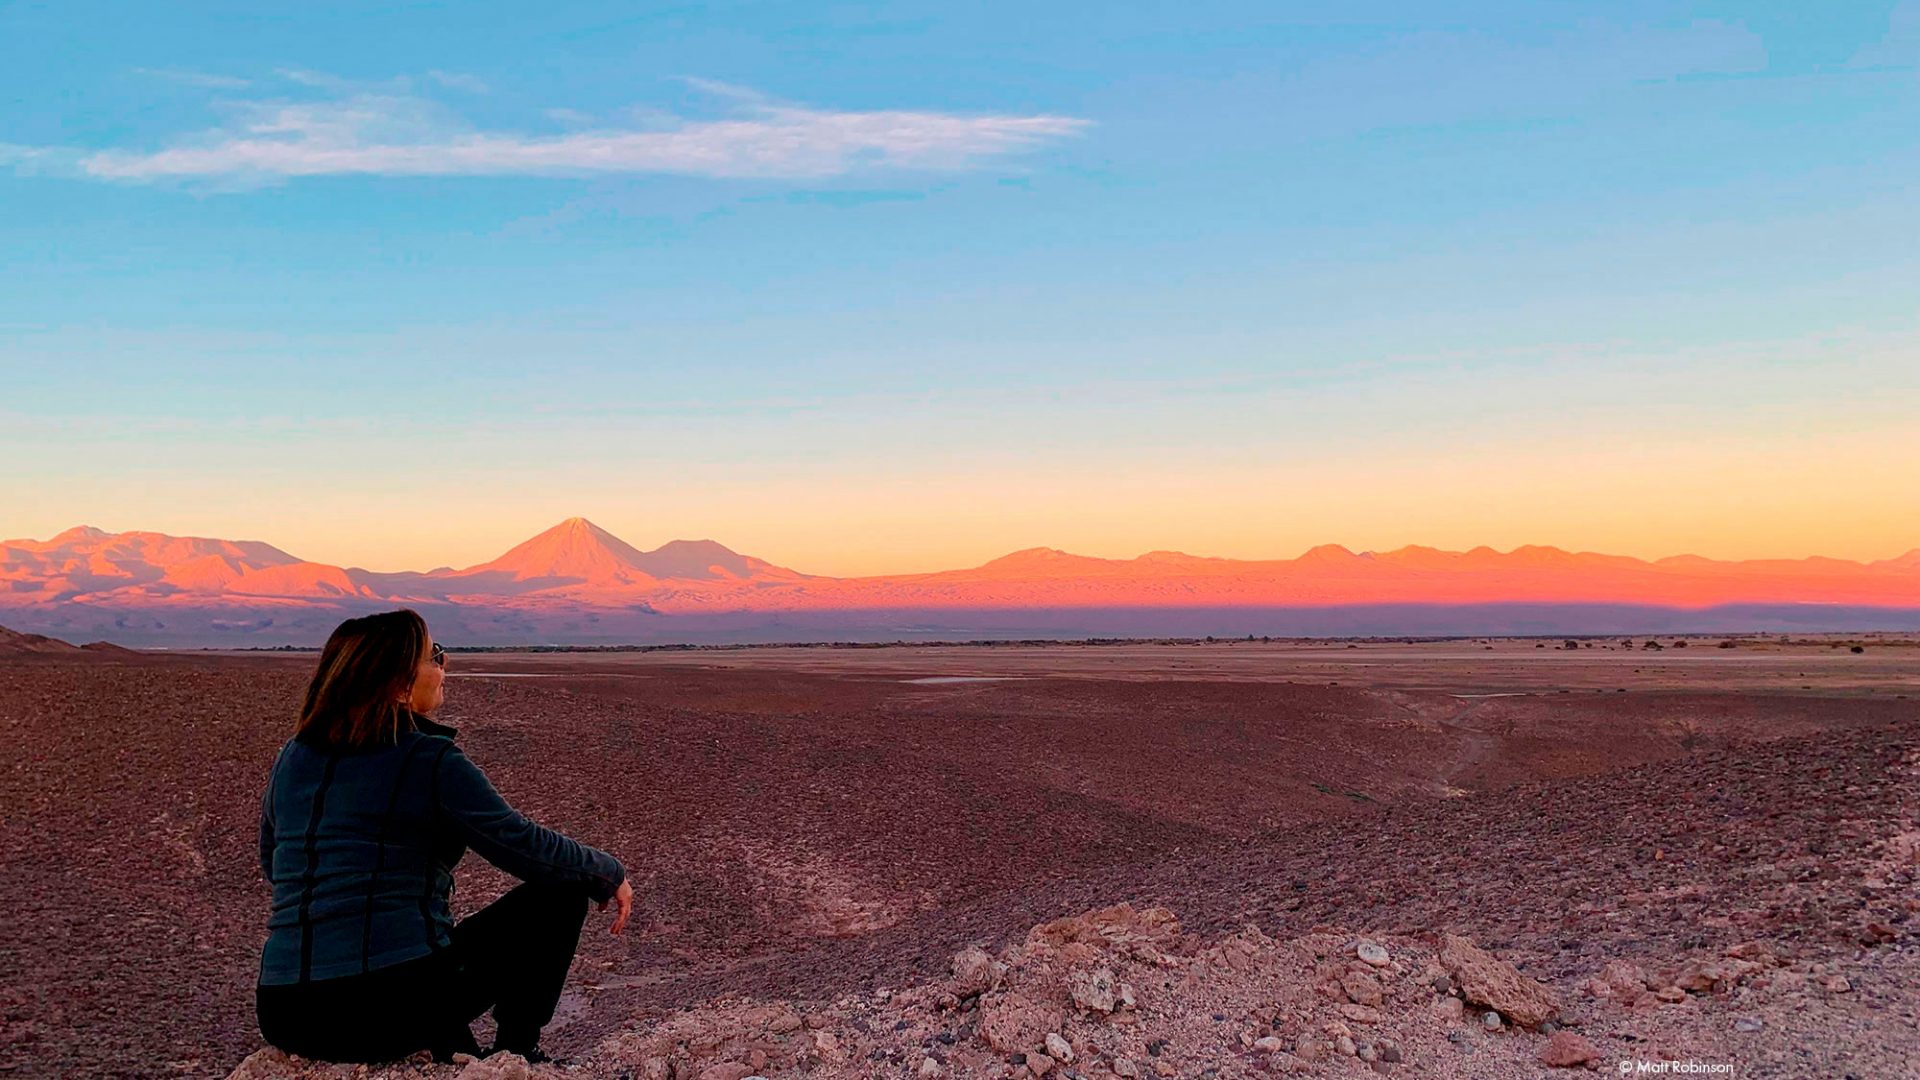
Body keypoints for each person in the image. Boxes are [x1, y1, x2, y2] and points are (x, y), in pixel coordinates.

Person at [255, 609, 632, 1065]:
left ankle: (447, 1038)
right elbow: (525, 847)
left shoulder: (292, 756)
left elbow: (275, 863)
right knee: (565, 891)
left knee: (424, 960)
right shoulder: (428, 760)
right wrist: (607, 872)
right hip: (383, 1004)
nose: (443, 665)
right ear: (398, 685)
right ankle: (516, 1054)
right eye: (434, 656)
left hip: (284, 1010)